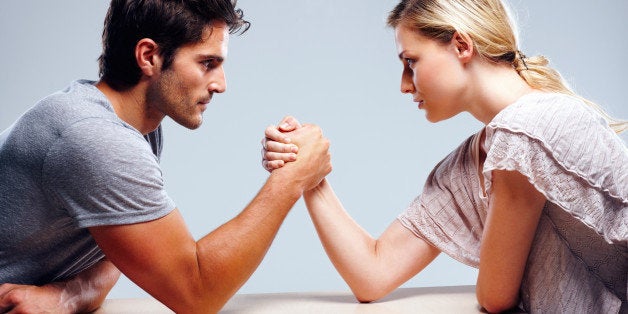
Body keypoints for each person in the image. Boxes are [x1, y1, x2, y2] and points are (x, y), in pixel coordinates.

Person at [262, 0, 627, 313]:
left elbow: (495, 296)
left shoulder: (527, 130)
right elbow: (373, 273)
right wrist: (307, 173)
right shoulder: (471, 164)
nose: (404, 84)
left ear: (461, 46)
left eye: (411, 61)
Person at [0, 0, 331, 313]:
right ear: (149, 57)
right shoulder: (94, 138)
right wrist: (292, 178)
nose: (221, 84)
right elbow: (196, 295)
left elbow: (123, 254)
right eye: (207, 63)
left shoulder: (134, 126)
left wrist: (68, 295)